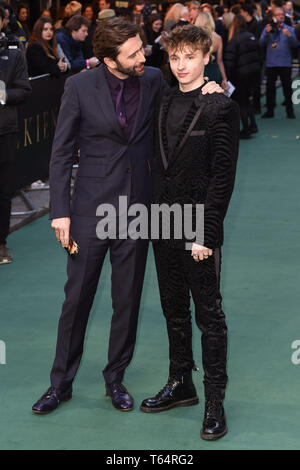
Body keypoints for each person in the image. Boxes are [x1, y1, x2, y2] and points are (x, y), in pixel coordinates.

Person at [31, 17, 221, 416]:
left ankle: (115, 378)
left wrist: (212, 87)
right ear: (108, 58)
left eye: (141, 48)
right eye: (133, 52)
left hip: (139, 209)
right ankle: (59, 383)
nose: (144, 55)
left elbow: (186, 101)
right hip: (90, 210)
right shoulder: (78, 87)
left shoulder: (152, 80)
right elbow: (62, 152)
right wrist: (60, 213)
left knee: (127, 299)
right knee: (77, 298)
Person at [140, 24, 240, 442]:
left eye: (189, 57)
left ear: (205, 58)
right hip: (162, 222)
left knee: (209, 316)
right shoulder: (161, 96)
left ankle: (215, 402)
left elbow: (223, 177)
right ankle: (181, 382)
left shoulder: (220, 107)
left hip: (198, 226)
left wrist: (207, 234)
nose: (181, 66)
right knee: (172, 308)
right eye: (175, 57)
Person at [0, 6, 31, 265]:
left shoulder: (13, 54)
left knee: (2, 191)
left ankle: (1, 244)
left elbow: (24, 89)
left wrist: (3, 95)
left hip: (4, 131)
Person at [224, 14, 260, 138]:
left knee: (241, 102)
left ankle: (246, 128)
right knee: (246, 100)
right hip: (252, 73)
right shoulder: (251, 36)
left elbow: (230, 60)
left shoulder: (234, 39)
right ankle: (252, 125)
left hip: (240, 75)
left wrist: (226, 78)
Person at [259, 7, 298, 119]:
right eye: (278, 14)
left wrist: (290, 36)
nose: (281, 16)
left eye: (282, 14)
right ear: (273, 16)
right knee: (270, 88)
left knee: (287, 88)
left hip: (285, 63)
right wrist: (266, 33)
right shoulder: (267, 28)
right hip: (271, 63)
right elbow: (261, 43)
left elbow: (295, 44)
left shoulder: (289, 29)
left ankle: (290, 111)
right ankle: (270, 111)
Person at [195, 11, 228, 89]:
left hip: (200, 75)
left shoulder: (194, 39)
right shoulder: (218, 38)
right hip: (215, 74)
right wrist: (224, 78)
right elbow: (220, 61)